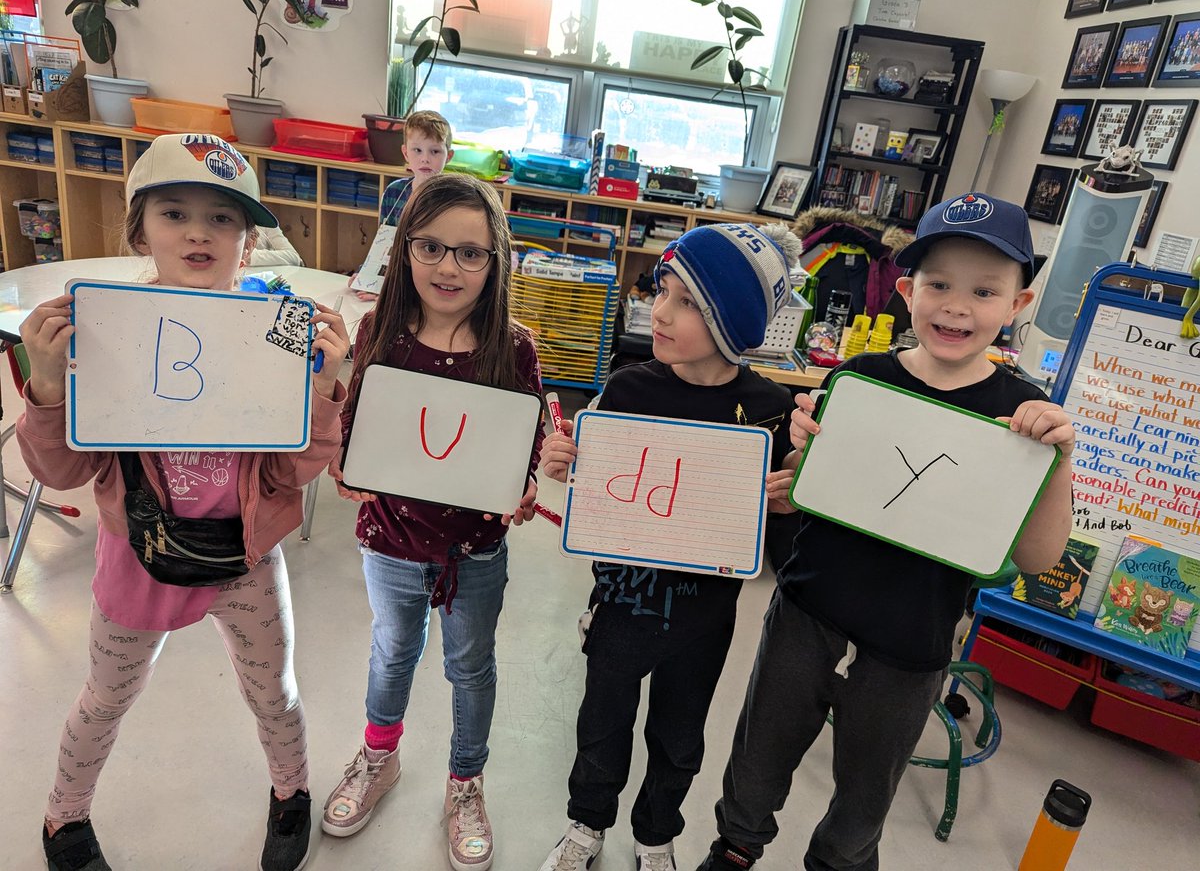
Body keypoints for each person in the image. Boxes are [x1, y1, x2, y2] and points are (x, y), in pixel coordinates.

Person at [695, 194, 1076, 871]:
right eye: (938, 285)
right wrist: (797, 455)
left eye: (985, 290)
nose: (957, 306)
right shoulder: (859, 378)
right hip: (810, 609)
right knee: (759, 752)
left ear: (1019, 305)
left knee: (868, 787)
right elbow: (802, 494)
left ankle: (840, 863)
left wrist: (1056, 464)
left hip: (913, 638)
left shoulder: (1024, 414)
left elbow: (1040, 557)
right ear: (906, 291)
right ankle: (736, 846)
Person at [17, 133, 350, 871]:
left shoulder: (281, 325)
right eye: (174, 213)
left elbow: (295, 472)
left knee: (274, 694)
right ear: (139, 229)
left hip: (246, 553)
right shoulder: (100, 327)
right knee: (105, 698)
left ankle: (290, 794)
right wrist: (46, 386)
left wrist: (326, 390)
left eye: (223, 218)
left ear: (250, 239)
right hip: (138, 553)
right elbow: (64, 469)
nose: (199, 232)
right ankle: (63, 818)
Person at [537, 223, 802, 871]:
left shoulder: (769, 411)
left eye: (686, 302)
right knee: (602, 724)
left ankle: (656, 834)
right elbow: (600, 497)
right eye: (662, 292)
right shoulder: (629, 389)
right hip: (622, 606)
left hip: (704, 618)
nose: (658, 311)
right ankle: (586, 825)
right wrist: (567, 464)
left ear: (732, 321)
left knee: (680, 739)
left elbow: (775, 546)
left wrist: (791, 500)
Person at [321, 172, 541, 871]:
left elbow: (525, 441)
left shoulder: (513, 347)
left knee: (471, 666)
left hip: (474, 550)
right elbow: (357, 425)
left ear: (495, 262)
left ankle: (464, 782)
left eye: (471, 253)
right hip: (390, 540)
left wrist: (526, 483)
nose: (449, 267)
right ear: (404, 248)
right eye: (432, 247)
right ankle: (378, 757)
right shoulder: (379, 331)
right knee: (392, 651)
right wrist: (345, 461)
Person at [350, 109, 455, 301]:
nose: (425, 158)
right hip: (394, 277)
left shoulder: (452, 199)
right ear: (405, 153)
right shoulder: (394, 192)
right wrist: (366, 274)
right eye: (417, 150)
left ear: (448, 156)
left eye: (435, 151)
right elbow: (383, 242)